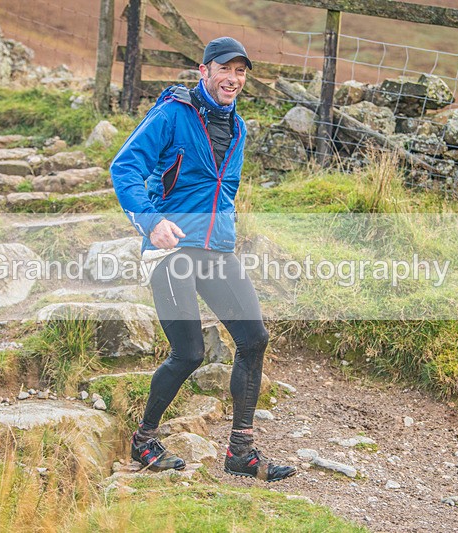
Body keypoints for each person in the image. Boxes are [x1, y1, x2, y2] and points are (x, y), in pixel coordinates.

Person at [110, 37, 296, 483]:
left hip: (216, 249)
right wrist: (152, 222)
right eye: (225, 70)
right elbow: (125, 167)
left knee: (254, 339)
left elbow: (223, 188)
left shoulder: (240, 128)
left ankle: (242, 452)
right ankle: (144, 440)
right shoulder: (172, 113)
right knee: (189, 352)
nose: (233, 79)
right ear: (204, 70)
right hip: (170, 248)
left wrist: (225, 230)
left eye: (241, 72)